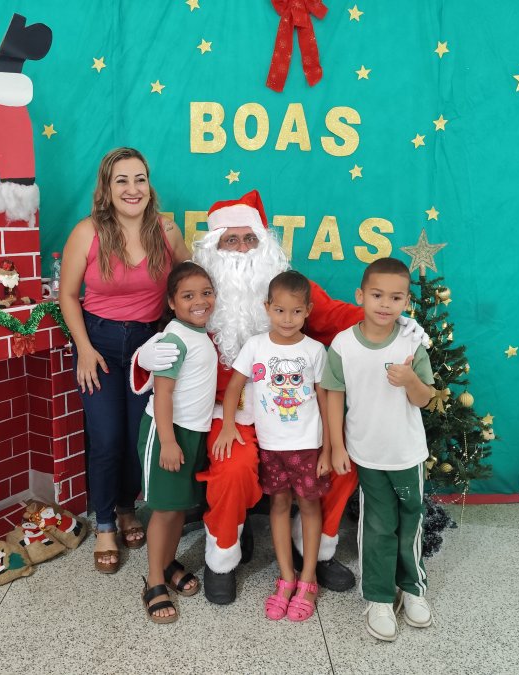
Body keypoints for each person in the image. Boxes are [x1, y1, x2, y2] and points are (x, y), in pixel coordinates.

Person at [132, 190, 428, 604]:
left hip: (296, 415)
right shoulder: (203, 295)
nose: (241, 249)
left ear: (264, 243)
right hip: (228, 414)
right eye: (230, 240)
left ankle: (314, 551)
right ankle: (223, 558)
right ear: (214, 248)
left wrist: (396, 324)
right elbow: (170, 338)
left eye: (249, 239)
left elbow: (337, 314)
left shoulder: (285, 287)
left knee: (342, 462)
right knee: (233, 468)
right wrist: (144, 357)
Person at [59, 147, 190, 573]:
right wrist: (83, 348)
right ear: (107, 188)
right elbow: (68, 295)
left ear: (149, 185)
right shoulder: (88, 232)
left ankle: (127, 508)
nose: (132, 189)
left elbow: (189, 284)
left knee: (138, 437)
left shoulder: (167, 232)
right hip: (98, 343)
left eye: (139, 179)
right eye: (122, 180)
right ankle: (104, 524)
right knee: (106, 437)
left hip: (147, 346)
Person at [322, 257, 435, 642]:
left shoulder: (411, 342)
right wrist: (337, 446)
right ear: (360, 296)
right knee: (377, 525)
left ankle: (413, 588)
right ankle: (379, 596)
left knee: (411, 522)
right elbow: (334, 396)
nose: (386, 304)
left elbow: (424, 399)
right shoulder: (343, 344)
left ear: (406, 302)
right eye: (377, 295)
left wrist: (410, 380)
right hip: (367, 455)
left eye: (396, 297)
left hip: (407, 454)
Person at [213, 271, 330, 622]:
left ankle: (308, 579)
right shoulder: (255, 346)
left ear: (308, 310)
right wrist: (228, 425)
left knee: (308, 507)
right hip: (271, 446)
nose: (287, 319)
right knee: (279, 505)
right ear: (267, 308)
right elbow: (234, 387)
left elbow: (325, 400)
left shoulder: (314, 351)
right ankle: (286, 577)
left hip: (308, 446)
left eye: (296, 312)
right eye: (280, 310)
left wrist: (328, 447)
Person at [138, 262, 218, 623]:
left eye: (206, 293)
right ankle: (154, 580)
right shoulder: (174, 339)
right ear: (171, 302)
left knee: (178, 506)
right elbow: (163, 394)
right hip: (167, 432)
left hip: (192, 432)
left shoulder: (200, 333)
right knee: (164, 509)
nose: (199, 301)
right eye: (188, 296)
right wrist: (168, 441)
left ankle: (168, 562)